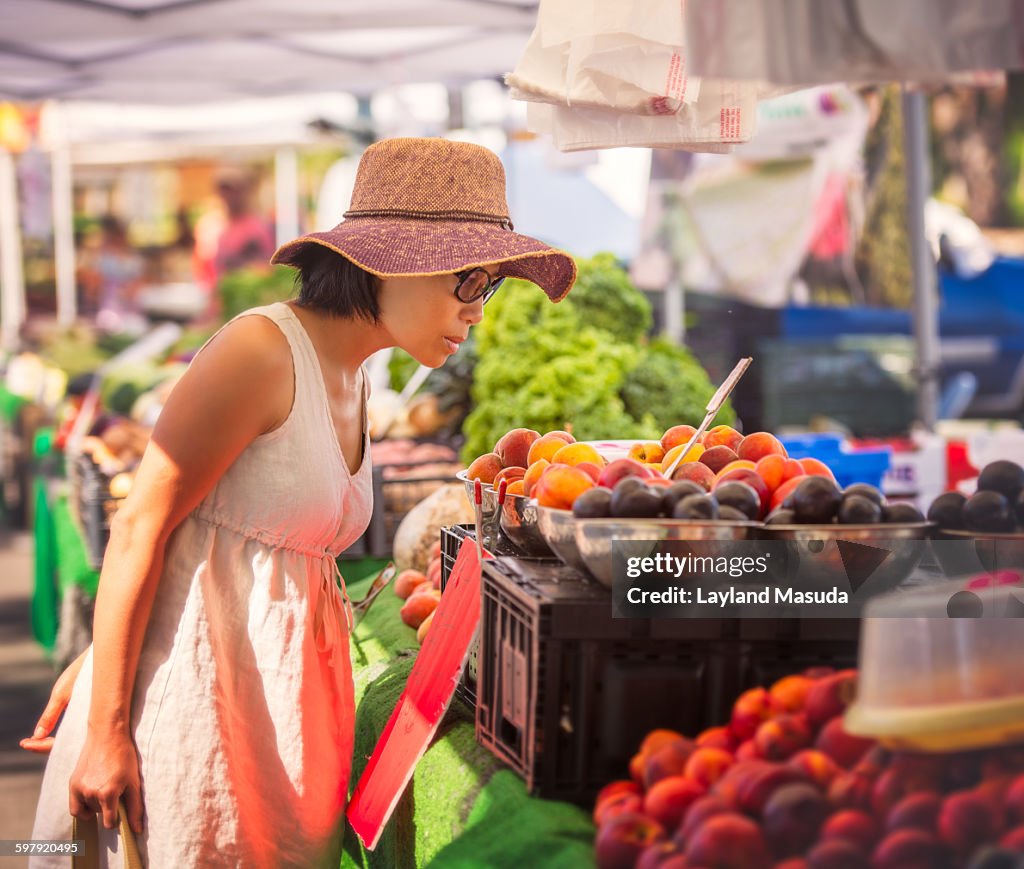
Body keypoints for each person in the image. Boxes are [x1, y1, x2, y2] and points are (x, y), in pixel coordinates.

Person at [24, 137, 576, 868]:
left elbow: (211, 536)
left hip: (273, 722)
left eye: (490, 288)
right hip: (189, 709)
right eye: (470, 281)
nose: (477, 311)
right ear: (392, 260)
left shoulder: (352, 375)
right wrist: (106, 724)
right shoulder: (260, 350)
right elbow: (141, 523)